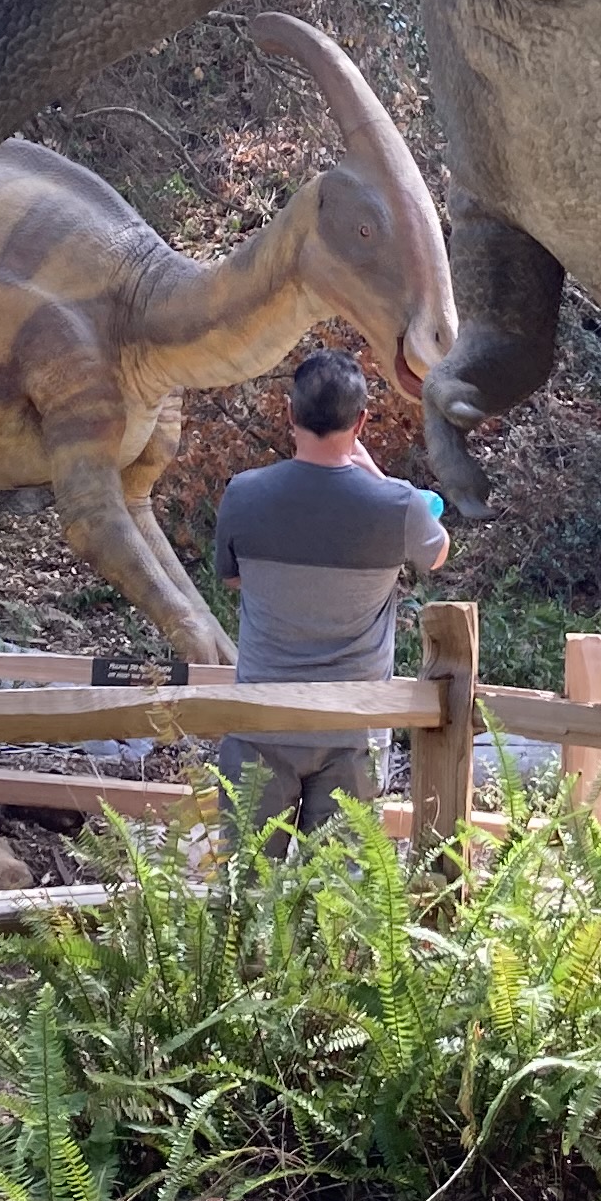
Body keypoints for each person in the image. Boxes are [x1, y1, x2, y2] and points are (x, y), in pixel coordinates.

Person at [208, 346, 450, 840]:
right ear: (361, 421)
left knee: (248, 879)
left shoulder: (243, 494)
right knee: (340, 883)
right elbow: (438, 551)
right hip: (354, 730)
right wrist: (378, 478)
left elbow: (233, 579)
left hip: (260, 723)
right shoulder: (397, 505)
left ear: (289, 413)